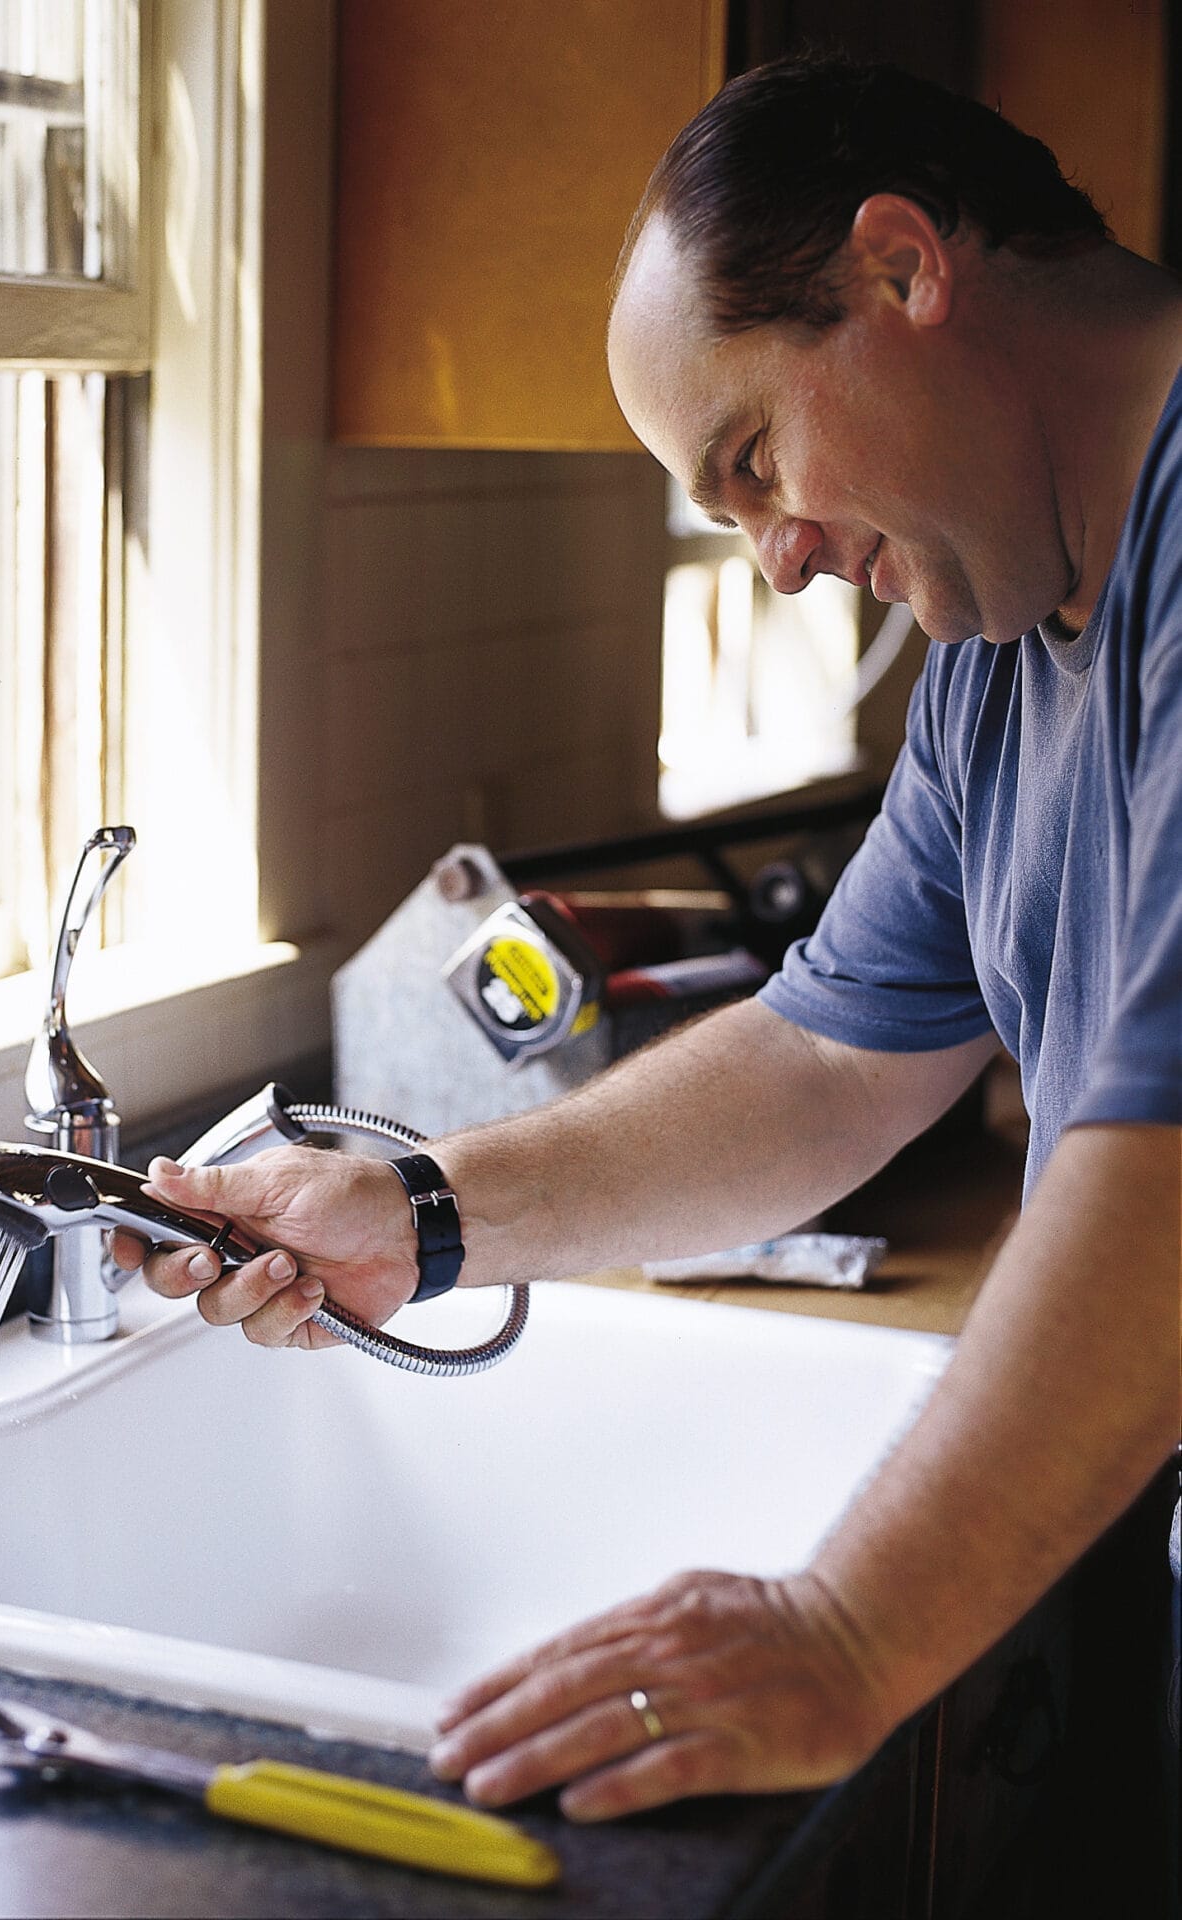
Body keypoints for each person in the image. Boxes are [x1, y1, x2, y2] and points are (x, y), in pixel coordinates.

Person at [117, 55, 1181, 1827]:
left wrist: (844, 1638)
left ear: (904, 268)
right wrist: (420, 1214)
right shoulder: (1007, 649)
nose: (775, 562)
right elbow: (827, 1061)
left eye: (755, 459)